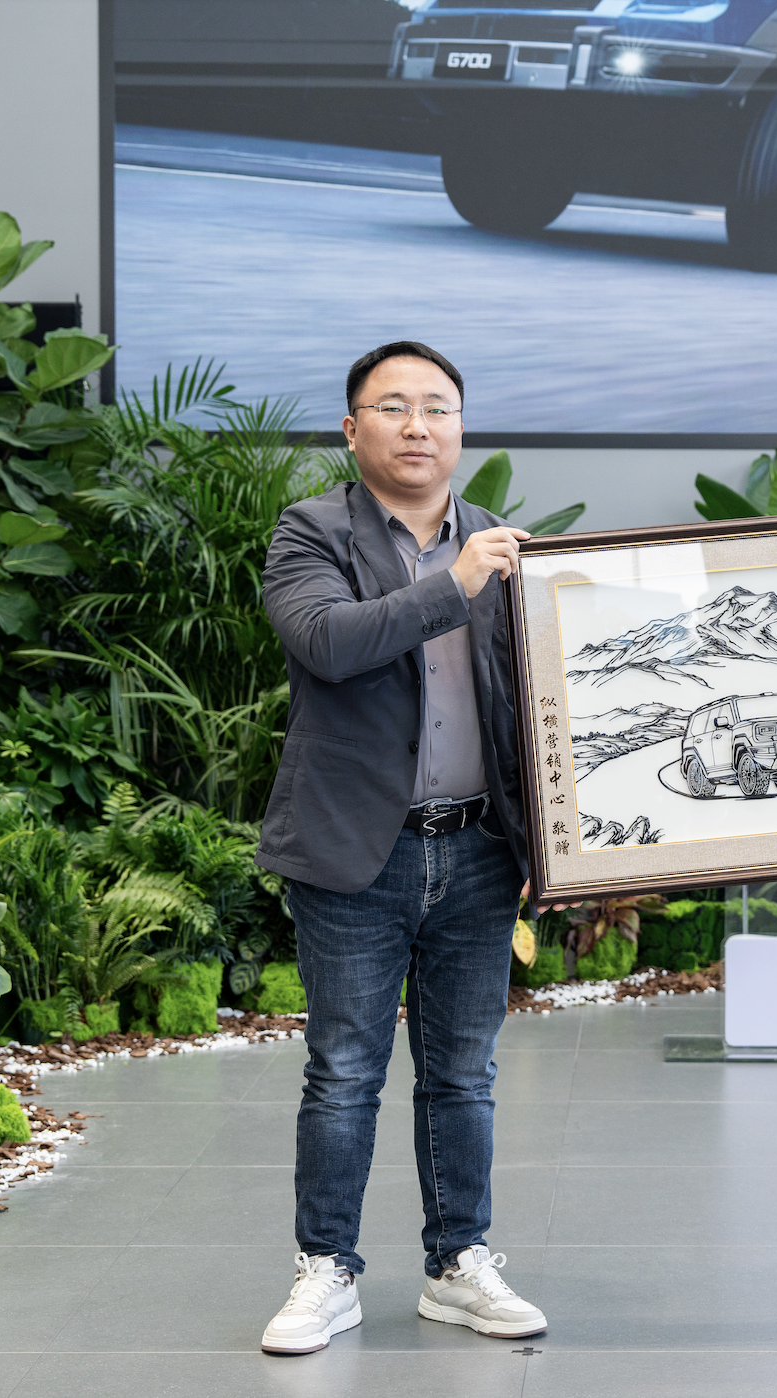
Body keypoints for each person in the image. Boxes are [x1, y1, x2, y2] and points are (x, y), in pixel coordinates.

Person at [254, 341, 548, 1354]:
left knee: (463, 1074)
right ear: (353, 429)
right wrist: (453, 584)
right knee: (343, 1070)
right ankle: (325, 1270)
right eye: (393, 406)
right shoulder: (312, 532)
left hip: (478, 850)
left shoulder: (509, 547)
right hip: (354, 852)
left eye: (438, 406)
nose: (418, 425)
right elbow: (328, 644)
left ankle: (457, 1263)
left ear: (461, 427)